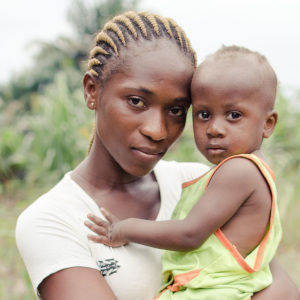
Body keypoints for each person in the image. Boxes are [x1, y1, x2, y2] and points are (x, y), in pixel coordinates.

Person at [15, 10, 299, 300]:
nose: (157, 130)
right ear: (92, 91)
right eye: (136, 101)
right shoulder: (51, 219)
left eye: (176, 110)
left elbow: (279, 288)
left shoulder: (201, 183)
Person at [84, 46, 295, 299]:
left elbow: (189, 234)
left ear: (267, 123)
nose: (215, 128)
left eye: (234, 115)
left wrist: (124, 229)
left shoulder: (240, 170)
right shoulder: (250, 173)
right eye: (204, 114)